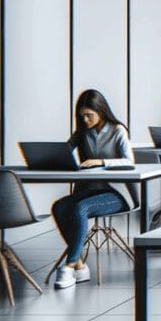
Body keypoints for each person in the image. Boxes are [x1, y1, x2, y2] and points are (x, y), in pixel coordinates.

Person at [51, 90, 137, 289]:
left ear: (101, 110)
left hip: (117, 194)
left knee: (80, 208)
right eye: (82, 116)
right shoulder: (82, 132)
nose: (85, 119)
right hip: (90, 191)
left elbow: (129, 161)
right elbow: (63, 152)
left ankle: (69, 266)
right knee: (59, 207)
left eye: (89, 115)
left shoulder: (117, 130)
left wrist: (101, 161)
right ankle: (80, 265)